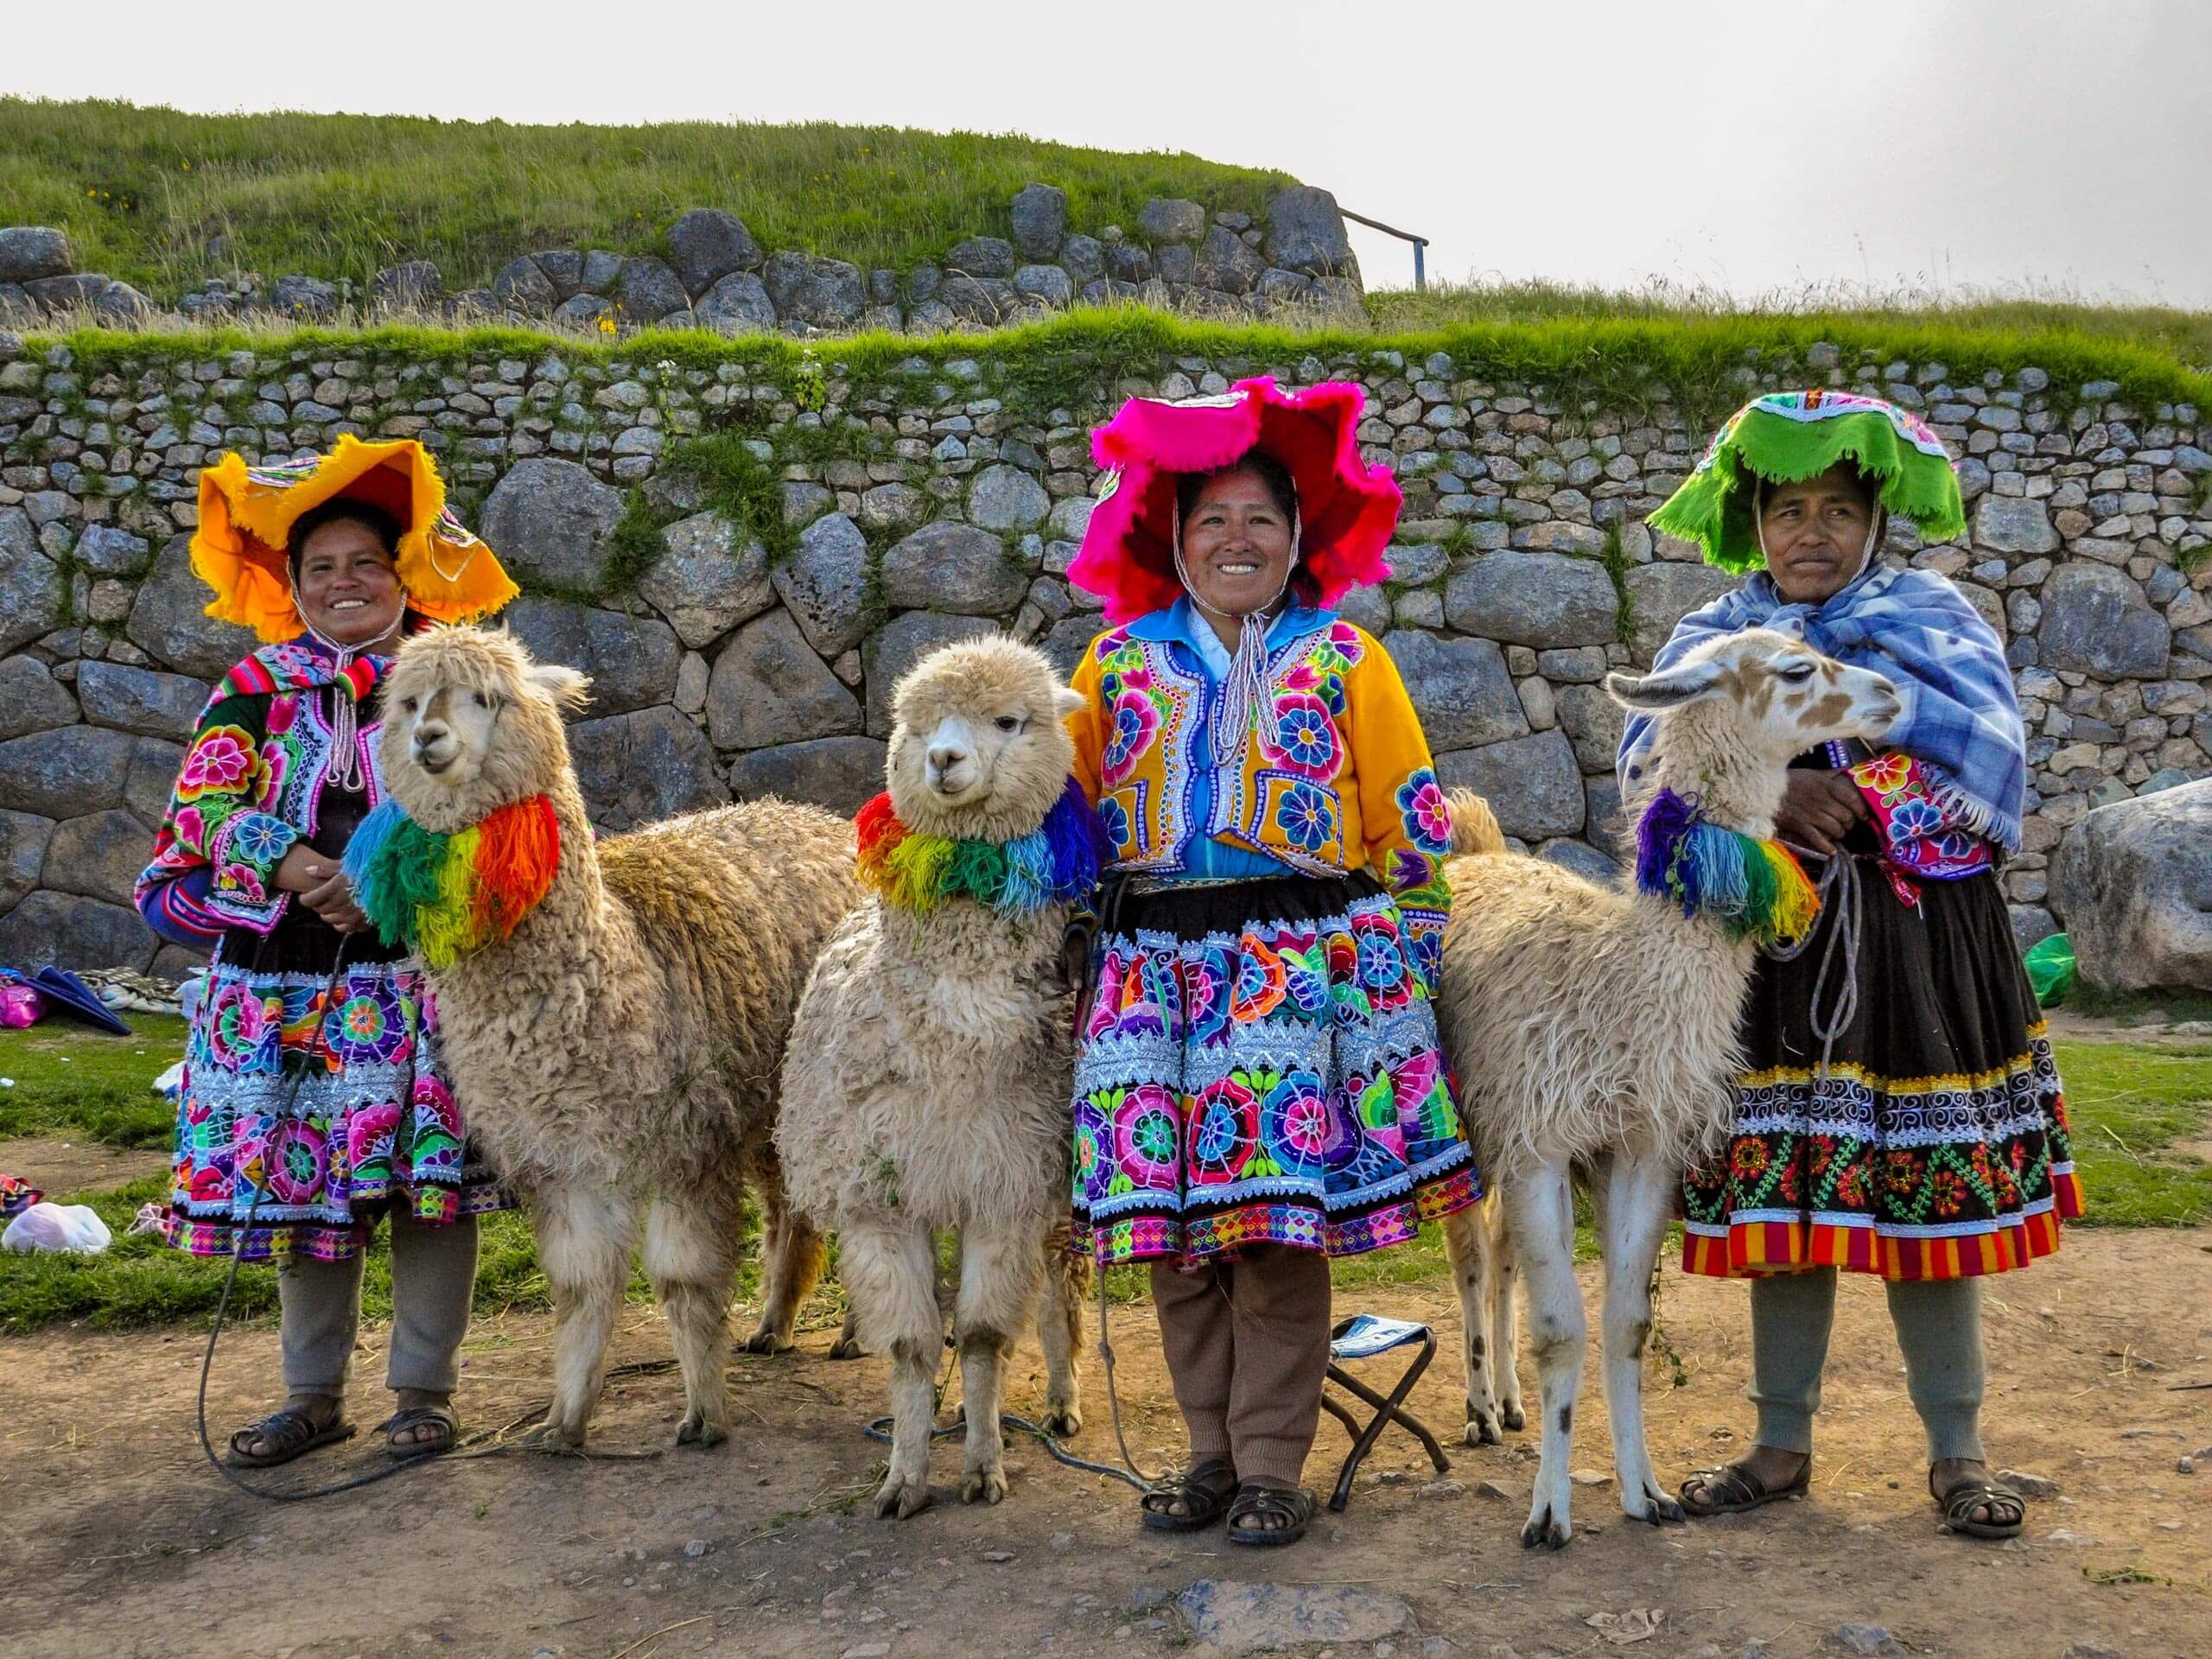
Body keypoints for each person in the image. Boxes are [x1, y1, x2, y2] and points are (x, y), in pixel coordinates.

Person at [1623, 391, 2083, 1540]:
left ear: (1874, 519)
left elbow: (1989, 752)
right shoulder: (1715, 640)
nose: (1811, 532)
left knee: (1921, 1189)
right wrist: (1774, 794)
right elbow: (1656, 760)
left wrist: (1866, 788)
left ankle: (1957, 1448)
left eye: (1836, 507)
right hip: (1776, 954)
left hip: (1915, 944)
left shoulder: (1932, 616)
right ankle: (1779, 1443)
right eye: (1787, 509)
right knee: (1791, 1194)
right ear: (1755, 523)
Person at [1063, 378, 1482, 1546]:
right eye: (1213, 520)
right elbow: (1064, 817)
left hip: (1294, 970)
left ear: (1298, 539)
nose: (1237, 538)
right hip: (1152, 967)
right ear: (1176, 542)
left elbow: (1412, 815)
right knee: (1171, 1228)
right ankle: (1204, 1453)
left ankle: (1269, 1468)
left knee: (1268, 1226)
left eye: (1261, 518)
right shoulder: (1113, 665)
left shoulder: (1346, 657)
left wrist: (1412, 968)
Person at [136, 436, 520, 1466]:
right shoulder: (257, 684)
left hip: (417, 978)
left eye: (365, 563)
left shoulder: (458, 676)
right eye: (322, 569)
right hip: (282, 993)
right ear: (294, 584)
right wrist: (300, 863)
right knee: (302, 1187)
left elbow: (509, 807)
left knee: (423, 1188)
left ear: (402, 574)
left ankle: (424, 1393)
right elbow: (204, 807)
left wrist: (385, 877)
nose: (344, 583)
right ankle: (311, 1397)